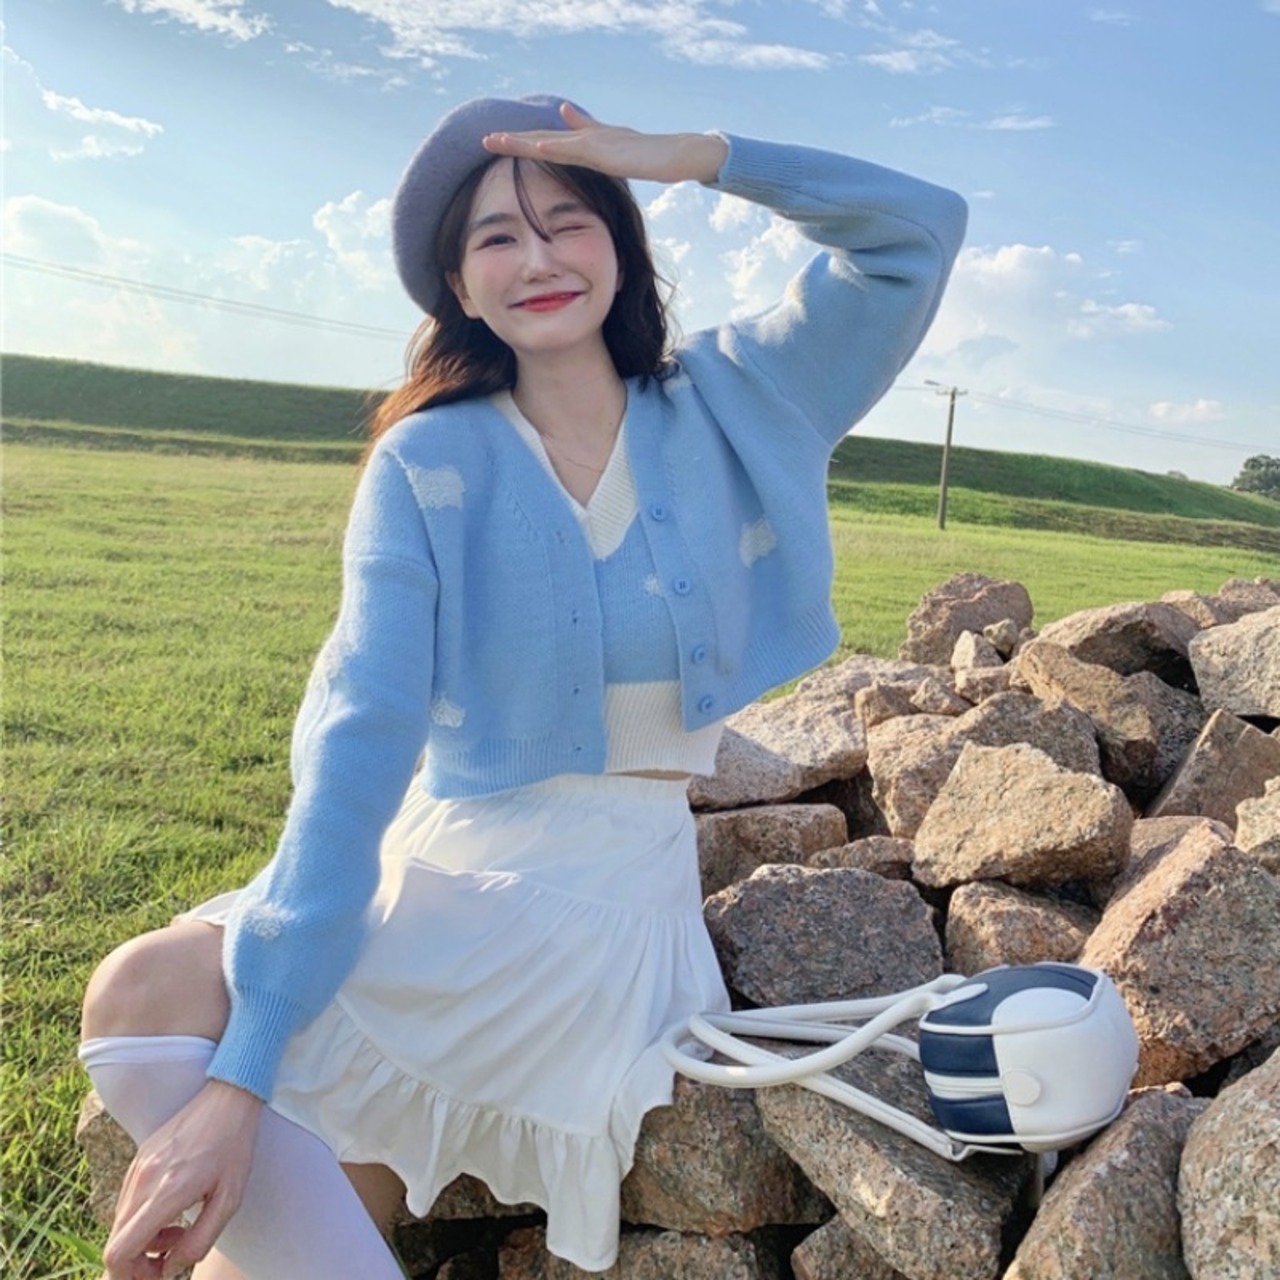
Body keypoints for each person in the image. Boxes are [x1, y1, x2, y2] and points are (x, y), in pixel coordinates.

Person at [79, 94, 967, 1279]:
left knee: (223, 1059)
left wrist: (682, 157)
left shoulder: (737, 395)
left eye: (568, 220)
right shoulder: (428, 459)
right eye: (496, 236)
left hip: (595, 898)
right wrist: (239, 1079)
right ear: (457, 283)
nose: (538, 257)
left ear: (621, 244)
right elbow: (359, 735)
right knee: (151, 1006)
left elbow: (915, 230)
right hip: (434, 858)